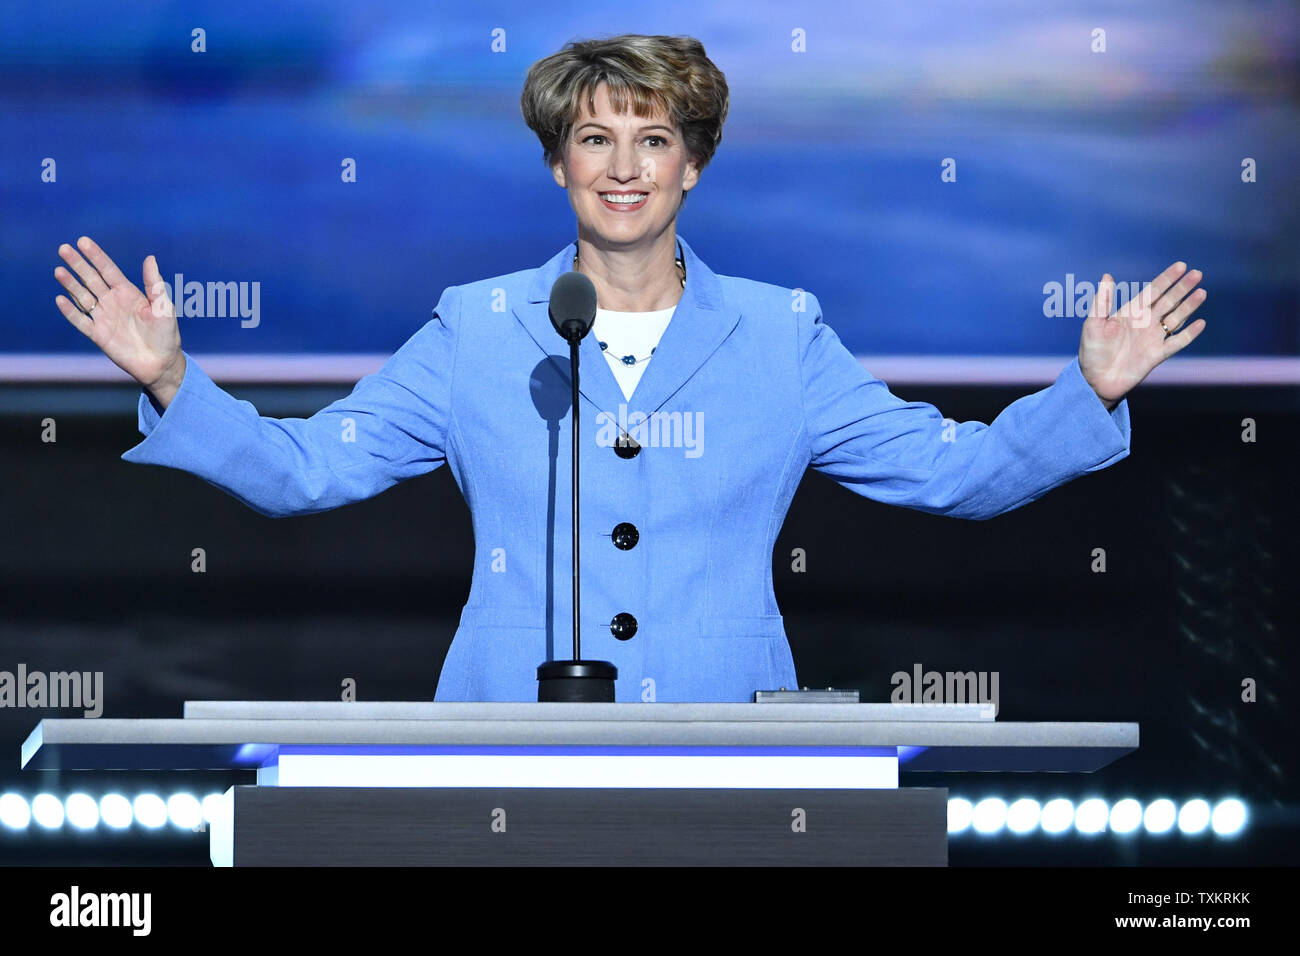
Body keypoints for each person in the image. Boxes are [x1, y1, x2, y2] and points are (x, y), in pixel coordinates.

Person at [51, 34, 1207, 703]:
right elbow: (304, 470)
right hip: (506, 744)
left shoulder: (779, 332)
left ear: (692, 165)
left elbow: (955, 473)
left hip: (732, 745)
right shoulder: (479, 325)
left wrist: (1089, 389)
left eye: (653, 138)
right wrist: (171, 380)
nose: (623, 166)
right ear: (556, 163)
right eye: (594, 138)